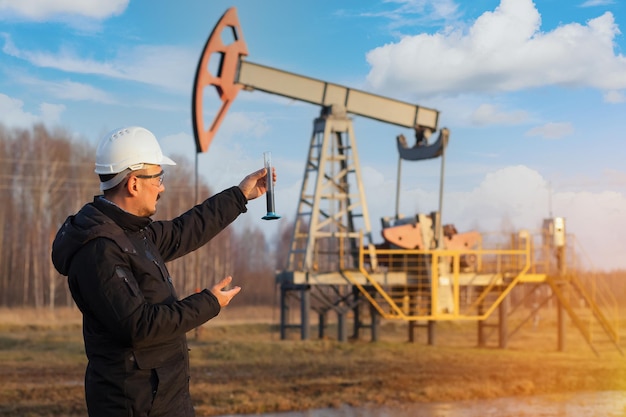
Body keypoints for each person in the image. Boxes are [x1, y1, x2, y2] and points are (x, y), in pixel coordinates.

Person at [51, 126, 275, 417]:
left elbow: (186, 230)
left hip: (162, 397)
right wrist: (208, 302)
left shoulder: (133, 232)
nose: (162, 186)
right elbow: (138, 326)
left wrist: (240, 195)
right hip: (134, 404)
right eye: (158, 177)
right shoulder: (100, 250)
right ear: (133, 184)